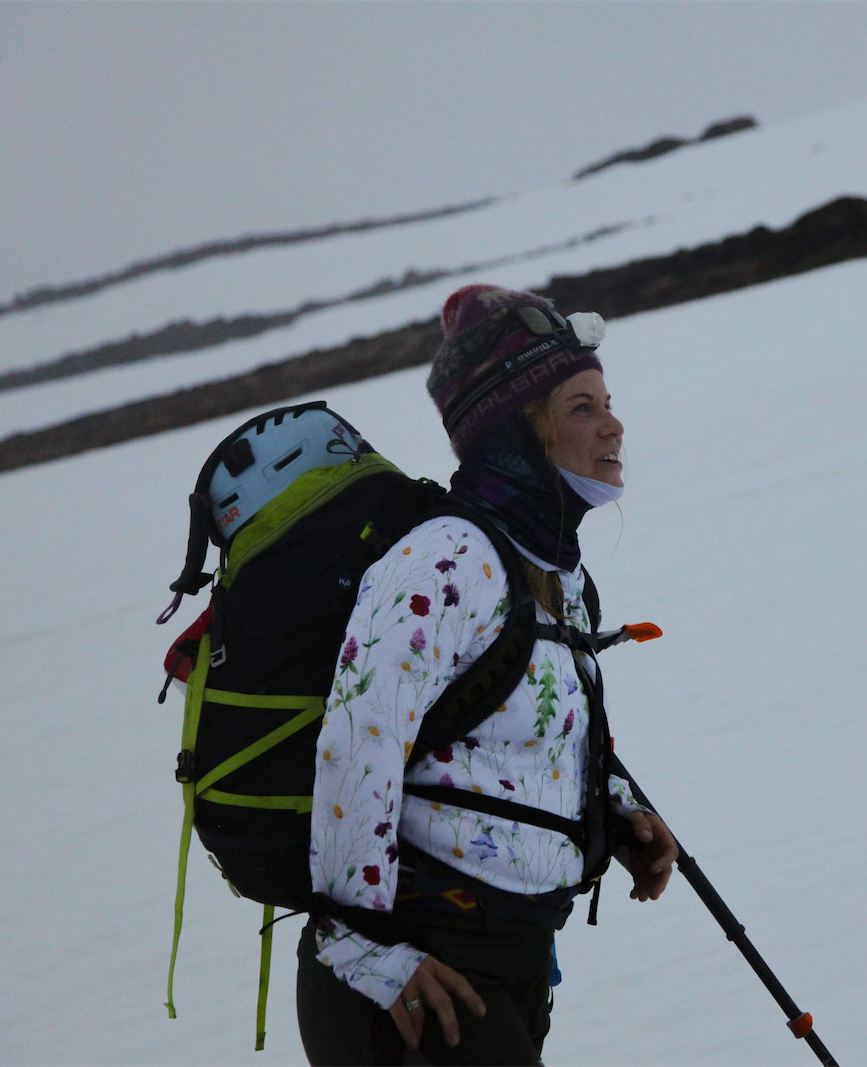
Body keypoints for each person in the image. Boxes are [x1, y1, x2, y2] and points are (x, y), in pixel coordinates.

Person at [295, 283, 678, 1066]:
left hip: (509, 958)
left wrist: (618, 806)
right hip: (415, 970)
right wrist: (370, 950)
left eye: (607, 400)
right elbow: (355, 745)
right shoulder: (443, 560)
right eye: (581, 406)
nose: (614, 424)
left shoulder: (555, 571)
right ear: (516, 433)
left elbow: (523, 731)